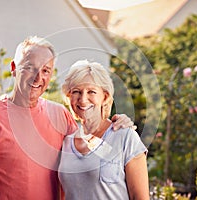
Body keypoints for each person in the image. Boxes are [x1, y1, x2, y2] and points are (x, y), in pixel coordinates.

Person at [0, 36, 134, 200]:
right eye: (29, 67)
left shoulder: (60, 115)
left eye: (45, 70)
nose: (38, 77)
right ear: (14, 68)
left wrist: (116, 125)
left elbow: (92, 151)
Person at [59, 60, 149, 200]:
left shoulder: (125, 137)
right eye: (76, 92)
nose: (83, 100)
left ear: (105, 97)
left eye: (91, 92)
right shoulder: (65, 142)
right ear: (69, 97)